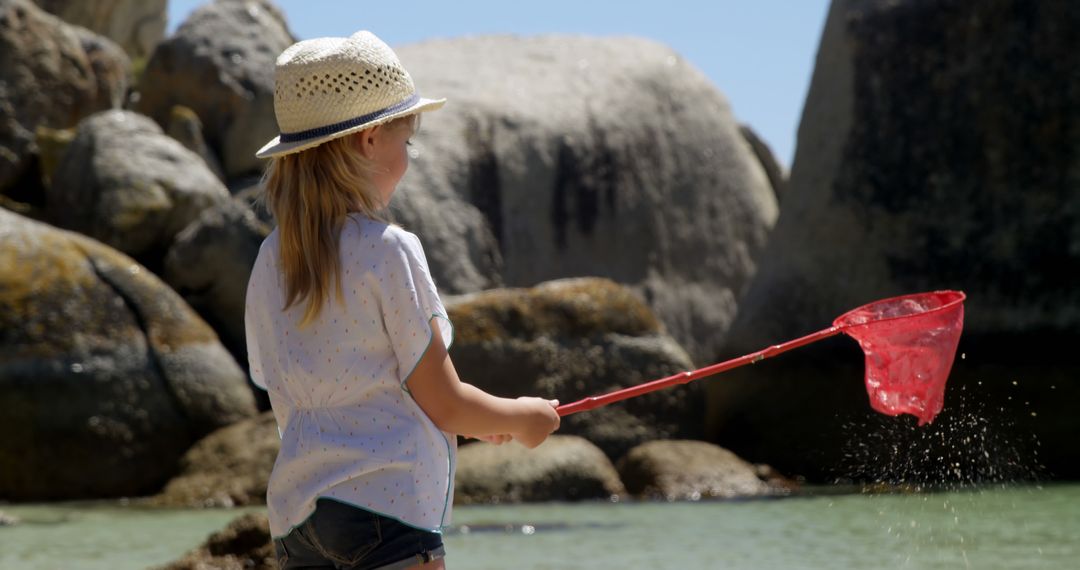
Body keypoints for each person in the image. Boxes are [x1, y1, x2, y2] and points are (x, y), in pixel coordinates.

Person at [244, 31, 561, 570]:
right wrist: (525, 417)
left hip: (296, 522)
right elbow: (445, 402)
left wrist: (483, 421)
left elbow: (287, 400)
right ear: (369, 139)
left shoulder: (270, 261)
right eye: (404, 142)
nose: (407, 159)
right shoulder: (389, 250)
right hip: (385, 517)